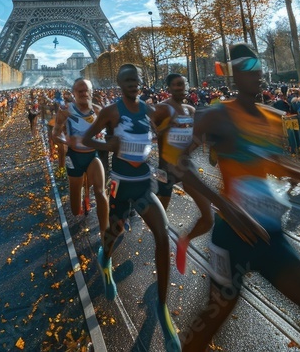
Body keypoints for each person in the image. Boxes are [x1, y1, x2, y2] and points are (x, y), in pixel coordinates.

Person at [170, 44, 300, 352]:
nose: (257, 71)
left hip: (270, 235)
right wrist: (224, 204)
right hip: (233, 235)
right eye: (248, 66)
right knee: (210, 320)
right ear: (234, 73)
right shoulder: (217, 116)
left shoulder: (271, 117)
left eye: (260, 64)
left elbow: (275, 162)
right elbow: (178, 163)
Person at [81, 64, 181, 352]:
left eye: (136, 80)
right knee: (114, 234)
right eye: (127, 80)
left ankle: (161, 307)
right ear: (119, 83)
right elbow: (88, 139)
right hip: (121, 188)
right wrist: (108, 145)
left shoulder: (150, 112)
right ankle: (105, 258)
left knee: (163, 237)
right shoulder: (110, 112)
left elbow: (162, 138)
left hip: (143, 186)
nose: (134, 84)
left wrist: (164, 169)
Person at [152, 73, 212, 274]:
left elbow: (194, 137)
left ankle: (184, 240)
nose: (182, 88)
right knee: (160, 219)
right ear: (169, 87)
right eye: (177, 85)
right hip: (165, 169)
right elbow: (147, 131)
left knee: (209, 218)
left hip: (186, 166)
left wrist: (200, 143)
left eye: (184, 84)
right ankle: (160, 250)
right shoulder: (161, 108)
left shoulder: (191, 109)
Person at [54, 78, 108, 236]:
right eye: (80, 91)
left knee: (100, 191)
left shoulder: (99, 111)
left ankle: (105, 236)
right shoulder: (66, 111)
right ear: (74, 93)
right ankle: (82, 198)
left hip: (92, 155)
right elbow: (55, 134)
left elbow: (109, 133)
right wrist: (67, 141)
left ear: (91, 92)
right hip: (75, 157)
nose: (84, 93)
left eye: (87, 90)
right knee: (75, 209)